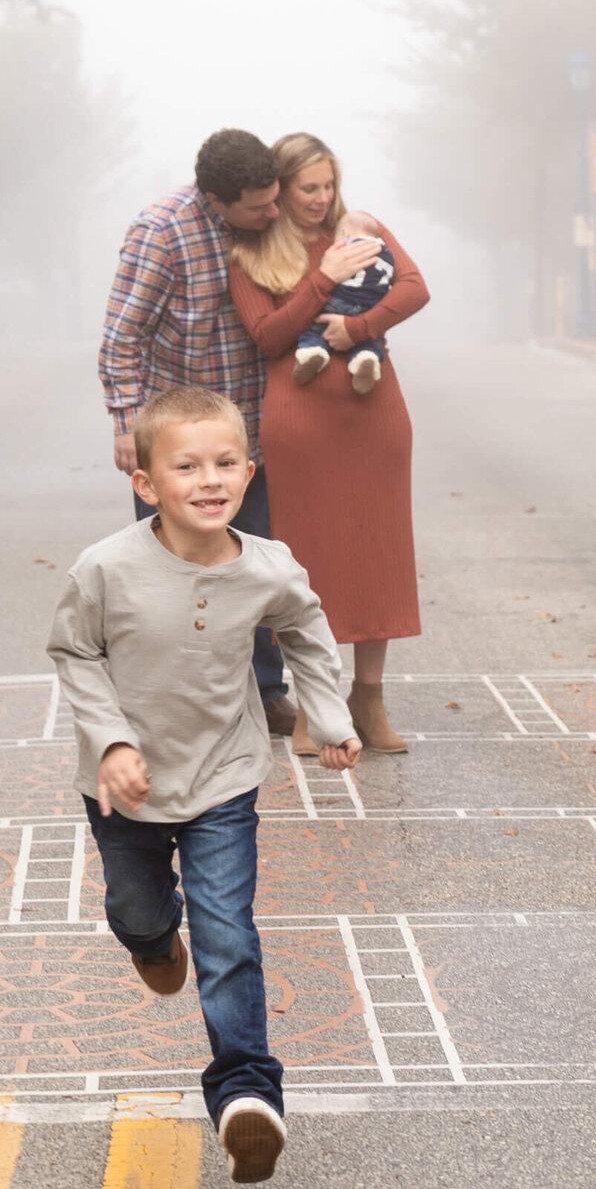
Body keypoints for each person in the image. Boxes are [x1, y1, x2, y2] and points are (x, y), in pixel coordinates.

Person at [47, 386, 362, 1183]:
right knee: (138, 910)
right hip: (128, 787)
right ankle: (152, 940)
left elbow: (308, 631)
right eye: (186, 466)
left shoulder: (269, 567)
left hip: (224, 778)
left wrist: (326, 717)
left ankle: (246, 1093)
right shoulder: (106, 568)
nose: (209, 479)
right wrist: (112, 742)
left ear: (249, 473)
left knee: (229, 934)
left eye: (225, 463)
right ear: (147, 483)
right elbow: (74, 653)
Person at [229, 133, 430, 757]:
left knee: (379, 552)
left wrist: (358, 328)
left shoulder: (359, 227)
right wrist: (323, 279)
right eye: (307, 188)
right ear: (281, 191)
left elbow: (415, 288)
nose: (320, 199)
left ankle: (368, 700)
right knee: (308, 562)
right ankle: (315, 703)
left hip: (374, 413)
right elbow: (267, 335)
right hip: (301, 418)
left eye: (327, 186)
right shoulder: (251, 253)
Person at [98, 128, 298, 738]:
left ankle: (264, 690)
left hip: (249, 436)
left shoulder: (264, 228)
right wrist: (127, 423)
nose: (272, 212)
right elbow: (121, 336)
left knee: (252, 564)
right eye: (259, 204)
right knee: (172, 567)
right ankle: (165, 699)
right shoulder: (162, 232)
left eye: (274, 199)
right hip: (176, 439)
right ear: (217, 198)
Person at [292, 209, 395, 395]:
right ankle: (367, 358)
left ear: (345, 233)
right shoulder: (387, 253)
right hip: (370, 308)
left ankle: (313, 352)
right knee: (372, 340)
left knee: (315, 325)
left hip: (340, 302)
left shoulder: (344, 246)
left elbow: (329, 269)